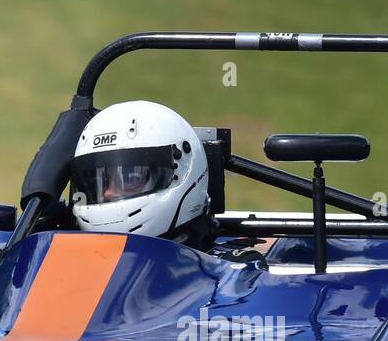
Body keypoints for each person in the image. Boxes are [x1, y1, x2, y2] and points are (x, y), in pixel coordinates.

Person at [68, 100, 257, 258]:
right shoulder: (70, 264)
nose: (108, 192)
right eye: (98, 181)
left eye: (130, 177)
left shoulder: (234, 275)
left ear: (182, 171)